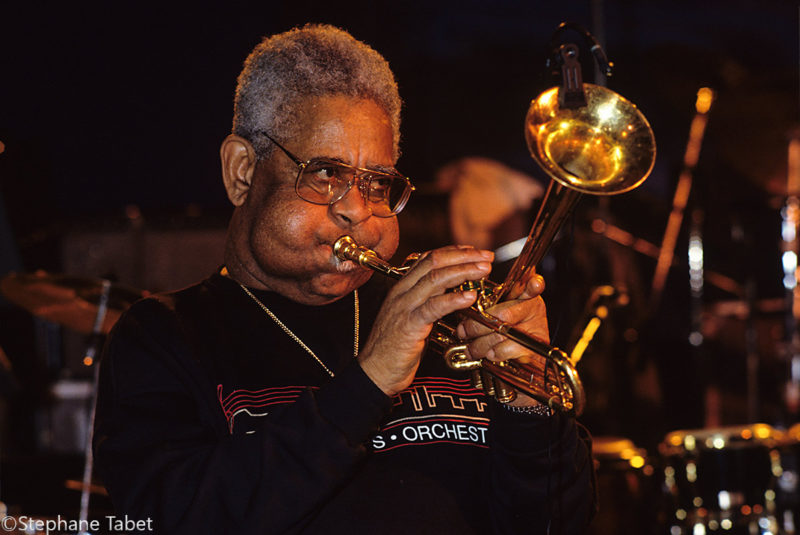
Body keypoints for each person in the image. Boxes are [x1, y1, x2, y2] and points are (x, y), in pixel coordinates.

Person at [93, 24, 595, 534]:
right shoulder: (162, 337)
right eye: (325, 174)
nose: (357, 210)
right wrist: (368, 382)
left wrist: (530, 409)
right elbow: (176, 519)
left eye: (378, 184)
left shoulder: (451, 326)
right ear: (242, 171)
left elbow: (556, 523)